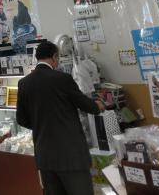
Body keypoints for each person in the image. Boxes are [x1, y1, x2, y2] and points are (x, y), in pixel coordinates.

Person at [16, 41, 105, 195]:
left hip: (45, 157)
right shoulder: (62, 78)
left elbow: (21, 119)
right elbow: (84, 104)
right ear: (54, 57)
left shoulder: (24, 83)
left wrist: (41, 125)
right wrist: (98, 106)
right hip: (70, 155)